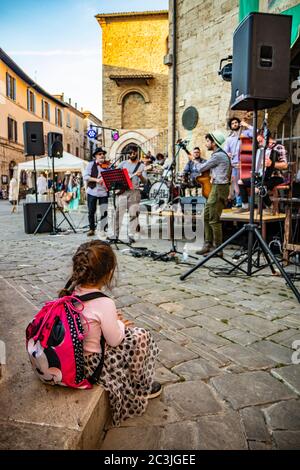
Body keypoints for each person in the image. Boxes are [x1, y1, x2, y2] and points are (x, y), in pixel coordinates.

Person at [59, 240, 160, 426]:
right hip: (92, 365)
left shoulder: (70, 292)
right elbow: (114, 340)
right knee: (141, 336)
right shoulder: (104, 303)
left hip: (74, 355)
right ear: (108, 273)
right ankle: (137, 385)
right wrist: (121, 324)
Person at [195, 132, 231, 256]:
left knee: (214, 219)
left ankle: (218, 249)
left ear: (214, 143)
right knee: (205, 216)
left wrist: (194, 160)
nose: (206, 144)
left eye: (207, 141)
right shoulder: (218, 155)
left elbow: (201, 168)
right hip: (216, 187)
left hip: (219, 188)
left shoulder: (218, 156)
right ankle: (208, 244)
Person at [237, 131, 288, 214]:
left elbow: (285, 165)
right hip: (262, 176)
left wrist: (272, 164)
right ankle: (245, 206)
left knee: (258, 188)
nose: (260, 143)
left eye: (261, 141)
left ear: (267, 138)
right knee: (240, 182)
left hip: (275, 176)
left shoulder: (278, 147)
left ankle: (270, 206)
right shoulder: (262, 149)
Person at [113, 146, 147, 243]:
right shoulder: (122, 164)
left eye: (134, 152)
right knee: (118, 214)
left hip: (134, 192)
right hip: (123, 192)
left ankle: (131, 235)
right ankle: (116, 235)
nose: (132, 154)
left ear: (137, 153)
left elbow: (145, 182)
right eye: (130, 152)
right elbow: (115, 174)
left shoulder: (141, 166)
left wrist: (140, 176)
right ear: (128, 154)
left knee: (133, 214)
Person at [224, 115, 253, 208]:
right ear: (231, 126)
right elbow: (225, 151)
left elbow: (257, 133)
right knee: (236, 184)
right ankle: (239, 202)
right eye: (232, 123)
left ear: (239, 123)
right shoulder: (229, 139)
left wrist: (247, 125)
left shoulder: (246, 133)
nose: (234, 124)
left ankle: (250, 202)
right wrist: (228, 154)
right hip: (235, 164)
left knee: (248, 184)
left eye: (236, 122)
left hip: (246, 163)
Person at [83, 147, 109, 237]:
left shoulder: (107, 166)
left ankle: (102, 229)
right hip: (92, 190)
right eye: (100, 154)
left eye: (103, 154)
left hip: (103, 192)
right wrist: (96, 180)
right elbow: (86, 176)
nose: (102, 155)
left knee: (104, 211)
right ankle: (92, 229)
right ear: (95, 156)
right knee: (91, 211)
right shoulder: (90, 164)